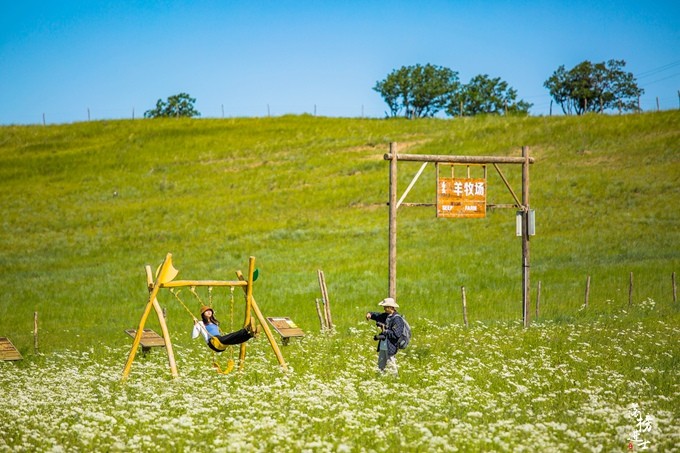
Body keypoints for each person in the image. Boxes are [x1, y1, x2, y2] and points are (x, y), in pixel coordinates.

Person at [192, 305, 258, 352]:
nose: (209, 312)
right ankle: (246, 329)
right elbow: (194, 336)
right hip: (213, 342)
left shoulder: (215, 322)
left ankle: (251, 335)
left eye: (210, 311)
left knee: (235, 340)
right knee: (231, 336)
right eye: (206, 311)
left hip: (219, 343)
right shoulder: (200, 323)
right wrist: (195, 325)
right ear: (203, 314)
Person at [365, 297, 404, 375]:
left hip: (391, 346)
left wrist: (385, 330)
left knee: (392, 367)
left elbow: (396, 334)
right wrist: (370, 314)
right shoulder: (386, 316)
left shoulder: (397, 319)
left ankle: (395, 382)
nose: (384, 308)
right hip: (383, 345)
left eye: (385, 307)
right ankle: (380, 379)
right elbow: (377, 315)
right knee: (380, 367)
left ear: (391, 307)